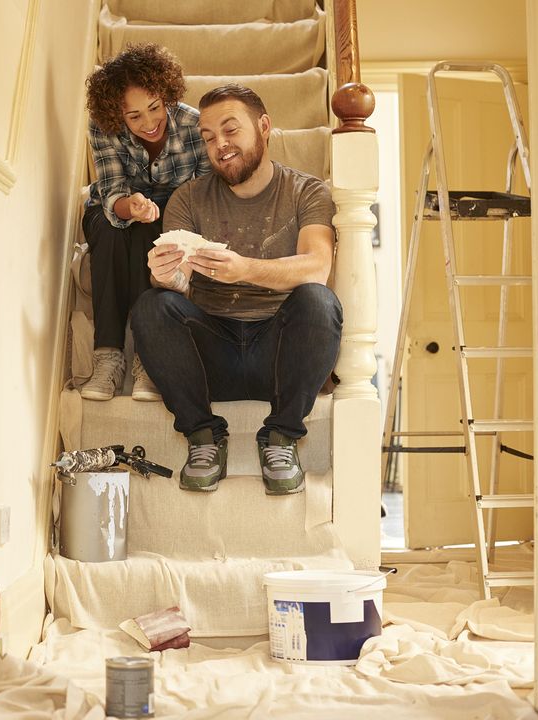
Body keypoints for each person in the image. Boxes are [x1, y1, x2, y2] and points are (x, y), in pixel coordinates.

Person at [132, 84, 342, 495]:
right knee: (151, 305)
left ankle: (281, 438)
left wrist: (245, 269)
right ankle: (204, 437)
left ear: (264, 127)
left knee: (319, 301)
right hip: (212, 356)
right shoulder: (188, 198)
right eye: (208, 138)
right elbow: (179, 284)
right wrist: (164, 274)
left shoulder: (308, 191)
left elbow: (317, 266)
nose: (219, 146)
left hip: (282, 356)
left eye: (230, 131)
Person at [78, 44, 211, 402]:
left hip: (173, 212)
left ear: (166, 94)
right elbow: (111, 195)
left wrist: (161, 216)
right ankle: (108, 357)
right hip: (116, 208)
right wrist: (130, 207)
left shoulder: (195, 125)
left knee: (153, 236)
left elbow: (202, 196)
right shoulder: (102, 128)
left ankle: (147, 360)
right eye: (134, 117)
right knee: (109, 230)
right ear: (116, 115)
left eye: (154, 108)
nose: (149, 123)